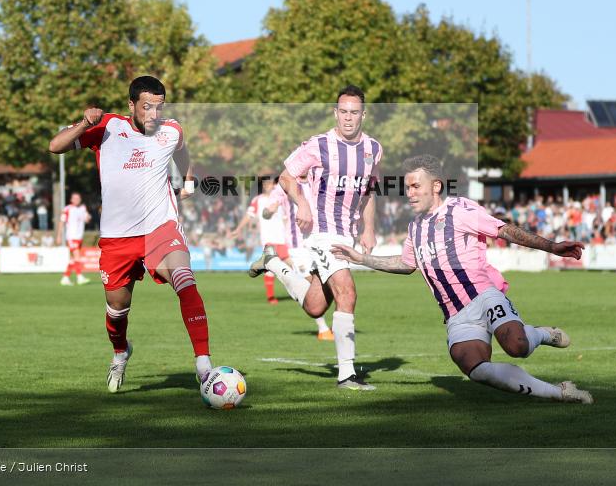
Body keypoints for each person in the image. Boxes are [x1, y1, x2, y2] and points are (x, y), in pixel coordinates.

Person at [332, 155, 593, 404]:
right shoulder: (416, 227)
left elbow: (504, 230)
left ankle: (539, 334)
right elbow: (406, 263)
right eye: (406, 187)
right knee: (475, 368)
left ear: (436, 186)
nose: (409, 193)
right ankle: (560, 393)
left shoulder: (460, 209)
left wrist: (552, 246)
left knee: (517, 346)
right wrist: (361, 259)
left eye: (415, 186)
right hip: (456, 315)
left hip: (484, 297)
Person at [49, 75, 212, 393]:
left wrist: (187, 179)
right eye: (147, 107)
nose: (154, 114)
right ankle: (121, 352)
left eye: (159, 107)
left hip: (159, 227)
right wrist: (84, 124)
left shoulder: (172, 130)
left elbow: (182, 152)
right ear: (131, 105)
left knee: (184, 278)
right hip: (117, 238)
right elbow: (55, 146)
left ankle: (204, 366)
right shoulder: (108, 126)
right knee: (117, 311)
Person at [249, 85, 381, 390]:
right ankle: (347, 374)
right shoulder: (318, 145)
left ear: (364, 114)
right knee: (347, 291)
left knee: (315, 307)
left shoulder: (374, 149)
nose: (349, 118)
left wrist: (369, 228)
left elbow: (369, 190)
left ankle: (274, 263)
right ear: (336, 113)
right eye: (343, 112)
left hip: (347, 233)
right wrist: (303, 202)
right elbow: (285, 176)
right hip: (321, 232)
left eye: (355, 112)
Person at [258, 180, 334, 340]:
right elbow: (267, 211)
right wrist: (268, 211)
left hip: (320, 240)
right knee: (309, 284)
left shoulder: (318, 180)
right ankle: (323, 329)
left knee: (330, 281)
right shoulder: (285, 185)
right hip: (297, 244)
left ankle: (335, 326)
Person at [57, 192, 91, 285]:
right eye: (74, 198)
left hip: (79, 237)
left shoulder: (83, 208)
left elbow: (87, 220)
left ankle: (65, 278)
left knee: (73, 259)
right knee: (77, 257)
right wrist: (59, 236)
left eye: (78, 198)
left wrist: (87, 215)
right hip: (71, 237)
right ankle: (80, 277)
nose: (76, 200)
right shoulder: (67, 209)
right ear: (71, 200)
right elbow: (61, 222)